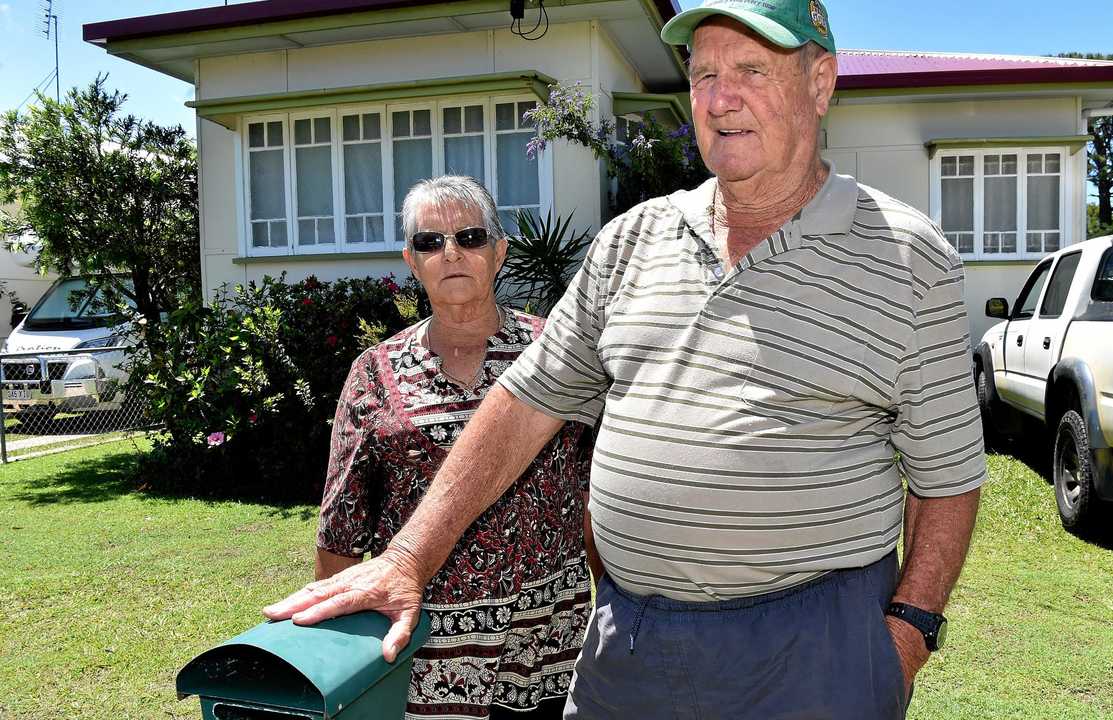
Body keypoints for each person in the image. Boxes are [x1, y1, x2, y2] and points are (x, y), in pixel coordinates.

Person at [267, 2, 986, 717]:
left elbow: (946, 478)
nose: (721, 96)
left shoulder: (904, 256)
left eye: (751, 70)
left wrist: (908, 635)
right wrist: (407, 559)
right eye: (703, 73)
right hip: (631, 644)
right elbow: (523, 404)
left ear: (820, 83)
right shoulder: (632, 241)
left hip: (814, 648)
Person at [310, 175, 598, 719]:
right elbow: (342, 525)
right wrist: (341, 652)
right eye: (430, 242)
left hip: (548, 647)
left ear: (499, 251)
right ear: (411, 261)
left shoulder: (558, 354)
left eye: (469, 236)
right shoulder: (373, 373)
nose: (451, 253)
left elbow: (595, 495)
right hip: (424, 652)